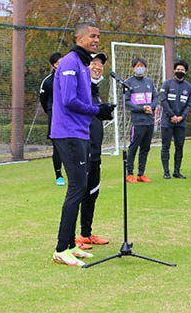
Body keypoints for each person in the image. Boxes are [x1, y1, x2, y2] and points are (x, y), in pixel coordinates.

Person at [51, 23, 115, 267]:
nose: (96, 40)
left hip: (79, 132)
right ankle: (60, 249)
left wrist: (98, 112)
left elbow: (82, 100)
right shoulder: (69, 62)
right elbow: (68, 100)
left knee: (80, 187)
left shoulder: (82, 64)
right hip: (68, 133)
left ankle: (70, 245)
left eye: (98, 36)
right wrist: (96, 110)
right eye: (92, 36)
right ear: (79, 37)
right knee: (77, 188)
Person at [76, 52, 110, 250]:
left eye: (100, 64)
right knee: (79, 193)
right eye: (93, 63)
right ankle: (72, 240)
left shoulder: (95, 90)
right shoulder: (82, 88)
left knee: (92, 193)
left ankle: (86, 234)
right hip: (83, 150)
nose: (97, 67)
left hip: (96, 152)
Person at [125, 57, 159, 184]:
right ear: (133, 67)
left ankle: (141, 173)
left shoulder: (149, 82)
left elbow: (156, 97)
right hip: (137, 121)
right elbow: (127, 102)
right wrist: (141, 108)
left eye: (142, 66)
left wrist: (152, 106)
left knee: (145, 148)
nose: (140, 68)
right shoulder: (128, 83)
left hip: (149, 121)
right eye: (138, 66)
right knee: (133, 148)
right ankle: (129, 173)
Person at [159, 60, 191, 179]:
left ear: (186, 72)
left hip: (181, 122)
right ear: (174, 70)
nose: (180, 71)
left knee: (179, 146)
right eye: (178, 69)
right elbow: (163, 100)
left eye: (182, 70)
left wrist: (181, 117)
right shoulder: (167, 84)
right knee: (166, 146)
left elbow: (189, 104)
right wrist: (172, 116)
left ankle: (177, 171)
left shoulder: (188, 87)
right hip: (167, 121)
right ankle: (166, 172)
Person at [39, 52, 64, 186]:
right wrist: (50, 112)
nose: (61, 65)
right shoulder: (48, 81)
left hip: (69, 117)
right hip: (54, 117)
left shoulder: (70, 77)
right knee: (58, 147)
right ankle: (59, 175)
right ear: (53, 65)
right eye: (58, 63)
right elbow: (43, 100)